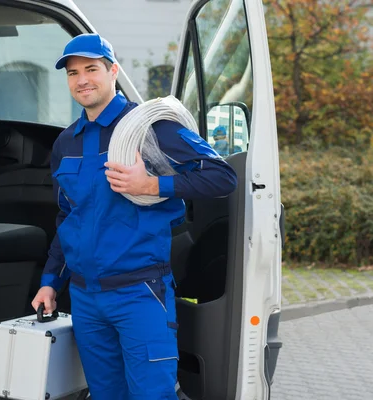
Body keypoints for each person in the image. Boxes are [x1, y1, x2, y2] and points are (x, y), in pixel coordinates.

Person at [31, 33, 238, 400]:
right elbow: (68, 218)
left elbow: (222, 177)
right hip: (85, 297)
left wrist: (153, 185)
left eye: (91, 69)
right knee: (104, 394)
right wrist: (50, 281)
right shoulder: (66, 142)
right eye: (73, 72)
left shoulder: (152, 129)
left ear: (113, 71)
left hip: (139, 293)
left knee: (152, 395)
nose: (82, 80)